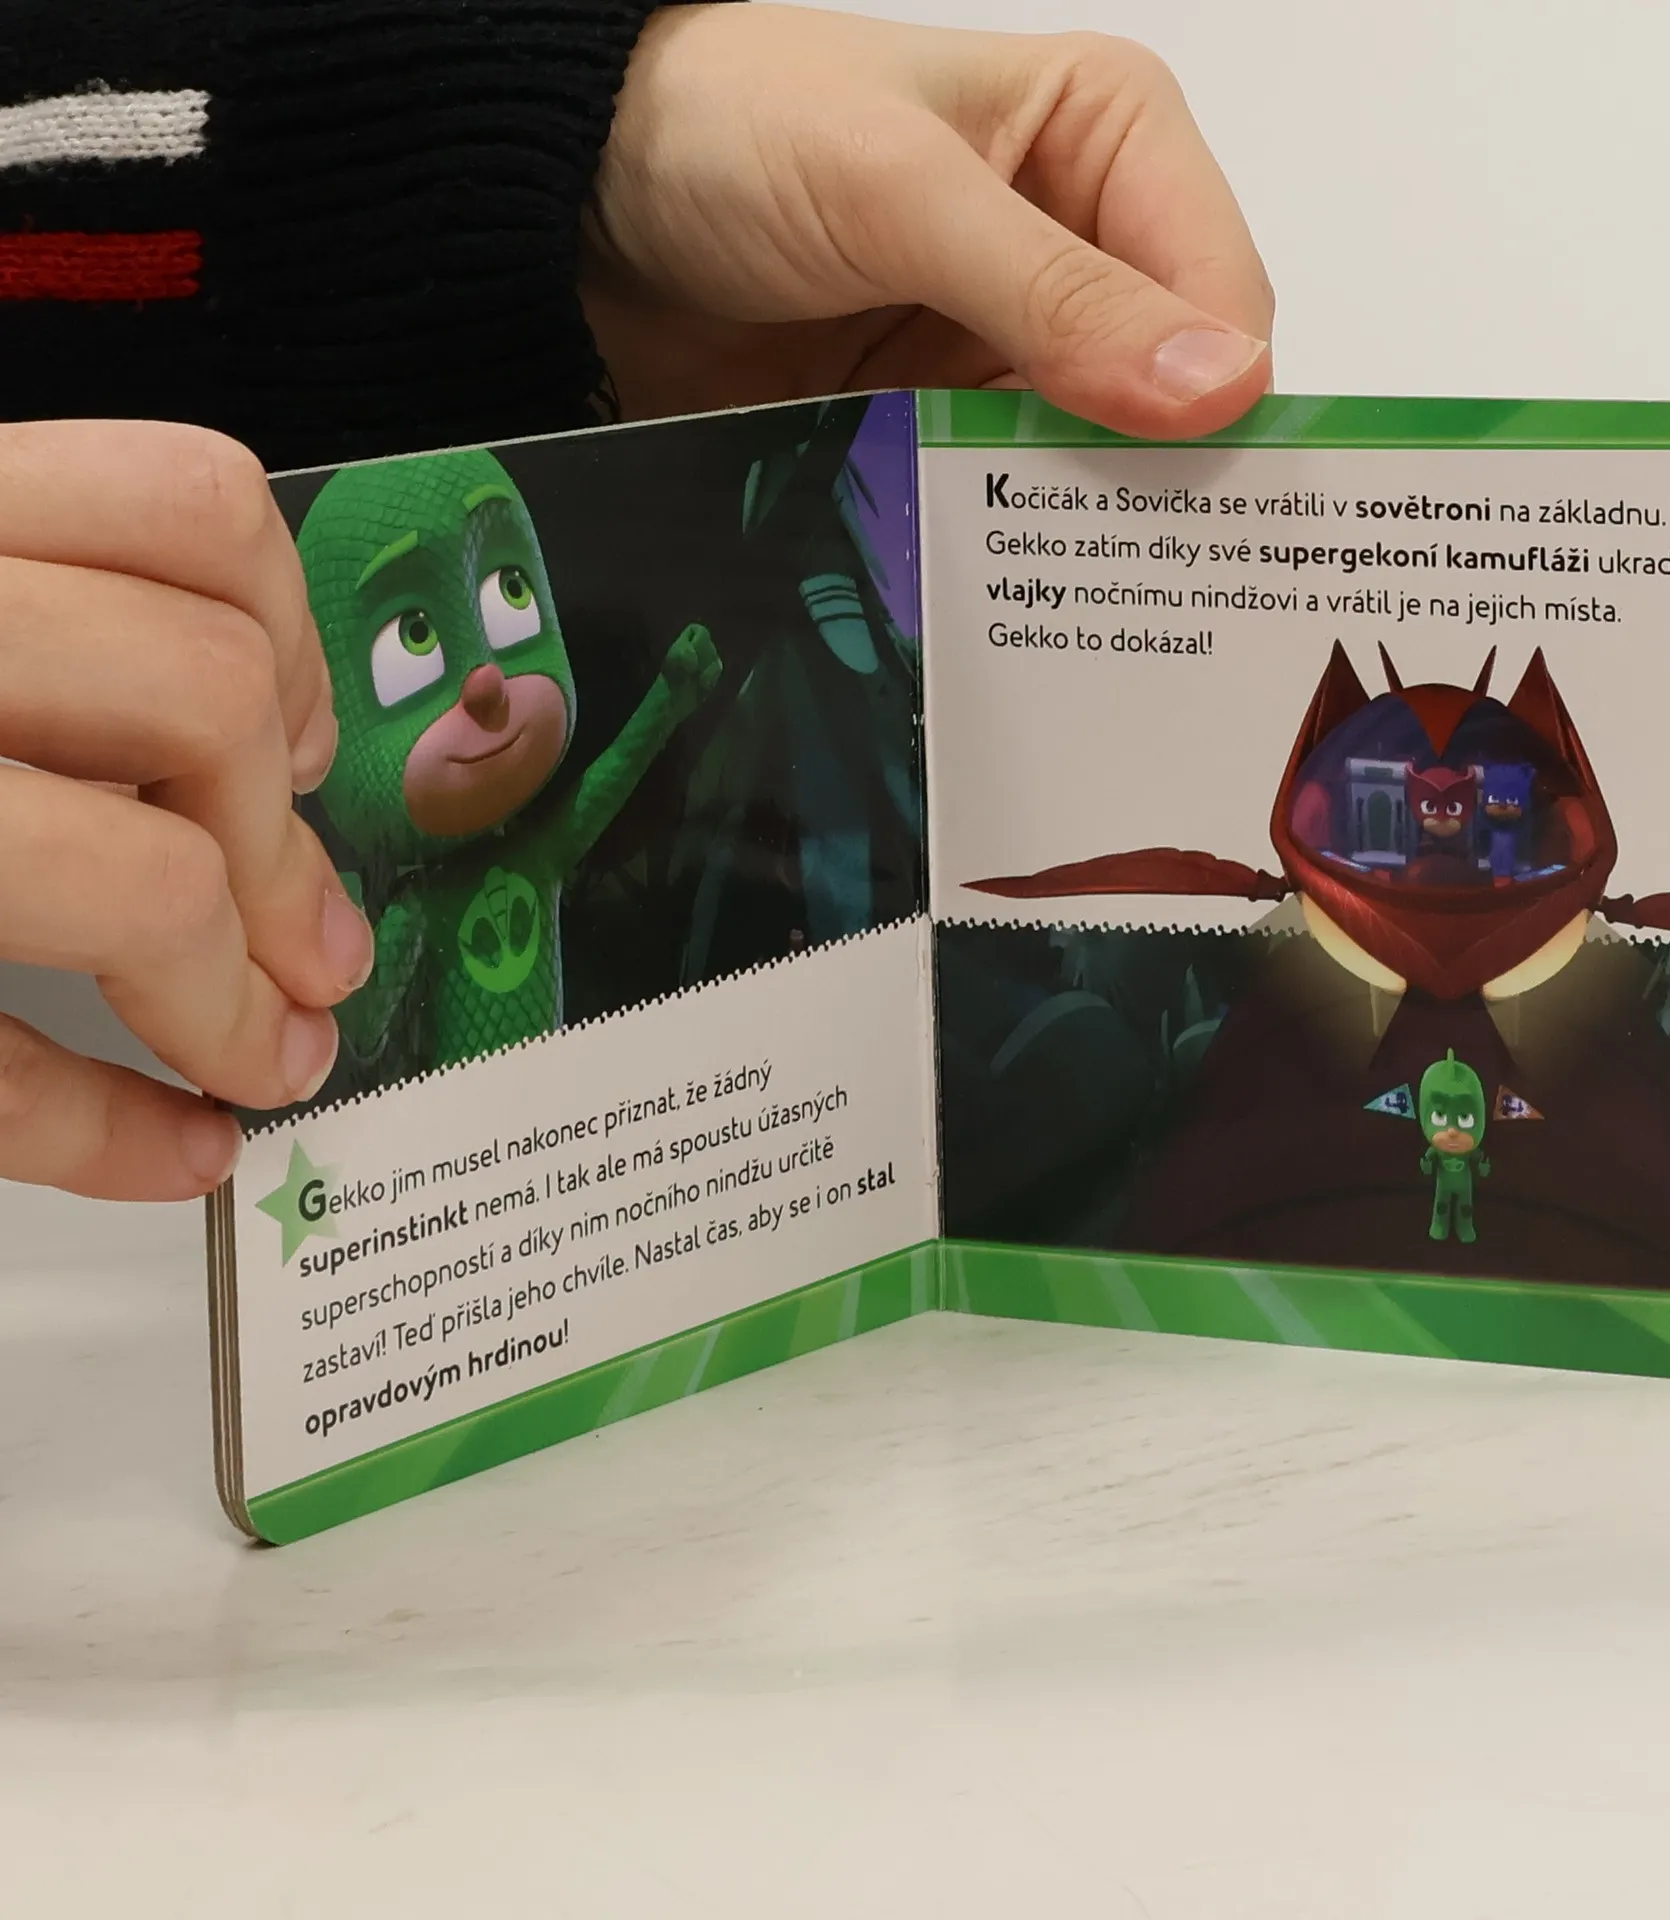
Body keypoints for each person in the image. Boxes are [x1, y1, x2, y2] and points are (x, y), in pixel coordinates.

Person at [0, 2, 1273, 1203]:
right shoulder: (403, 897)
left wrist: (577, 153)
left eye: (509, 598)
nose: (486, 683)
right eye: (412, 644)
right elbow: (377, 1001)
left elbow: (607, 781)